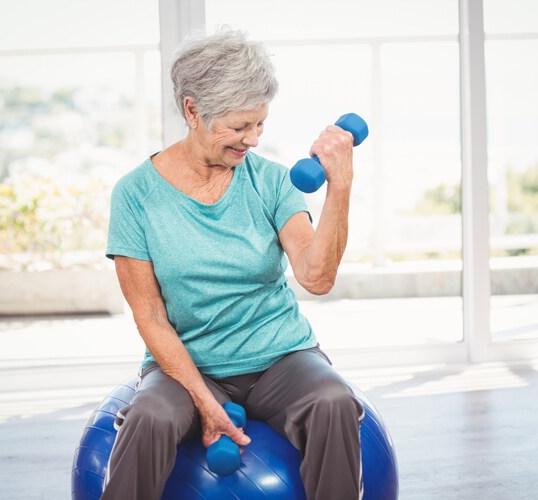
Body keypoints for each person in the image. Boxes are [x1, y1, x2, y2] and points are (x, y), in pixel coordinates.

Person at [102, 29, 364, 500]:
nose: (253, 139)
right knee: (150, 417)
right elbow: (150, 317)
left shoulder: (271, 181)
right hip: (187, 366)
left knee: (333, 401)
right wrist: (205, 402)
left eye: (260, 124)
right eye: (240, 127)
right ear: (192, 110)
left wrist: (339, 188)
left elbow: (316, 277)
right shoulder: (136, 195)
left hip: (280, 359)